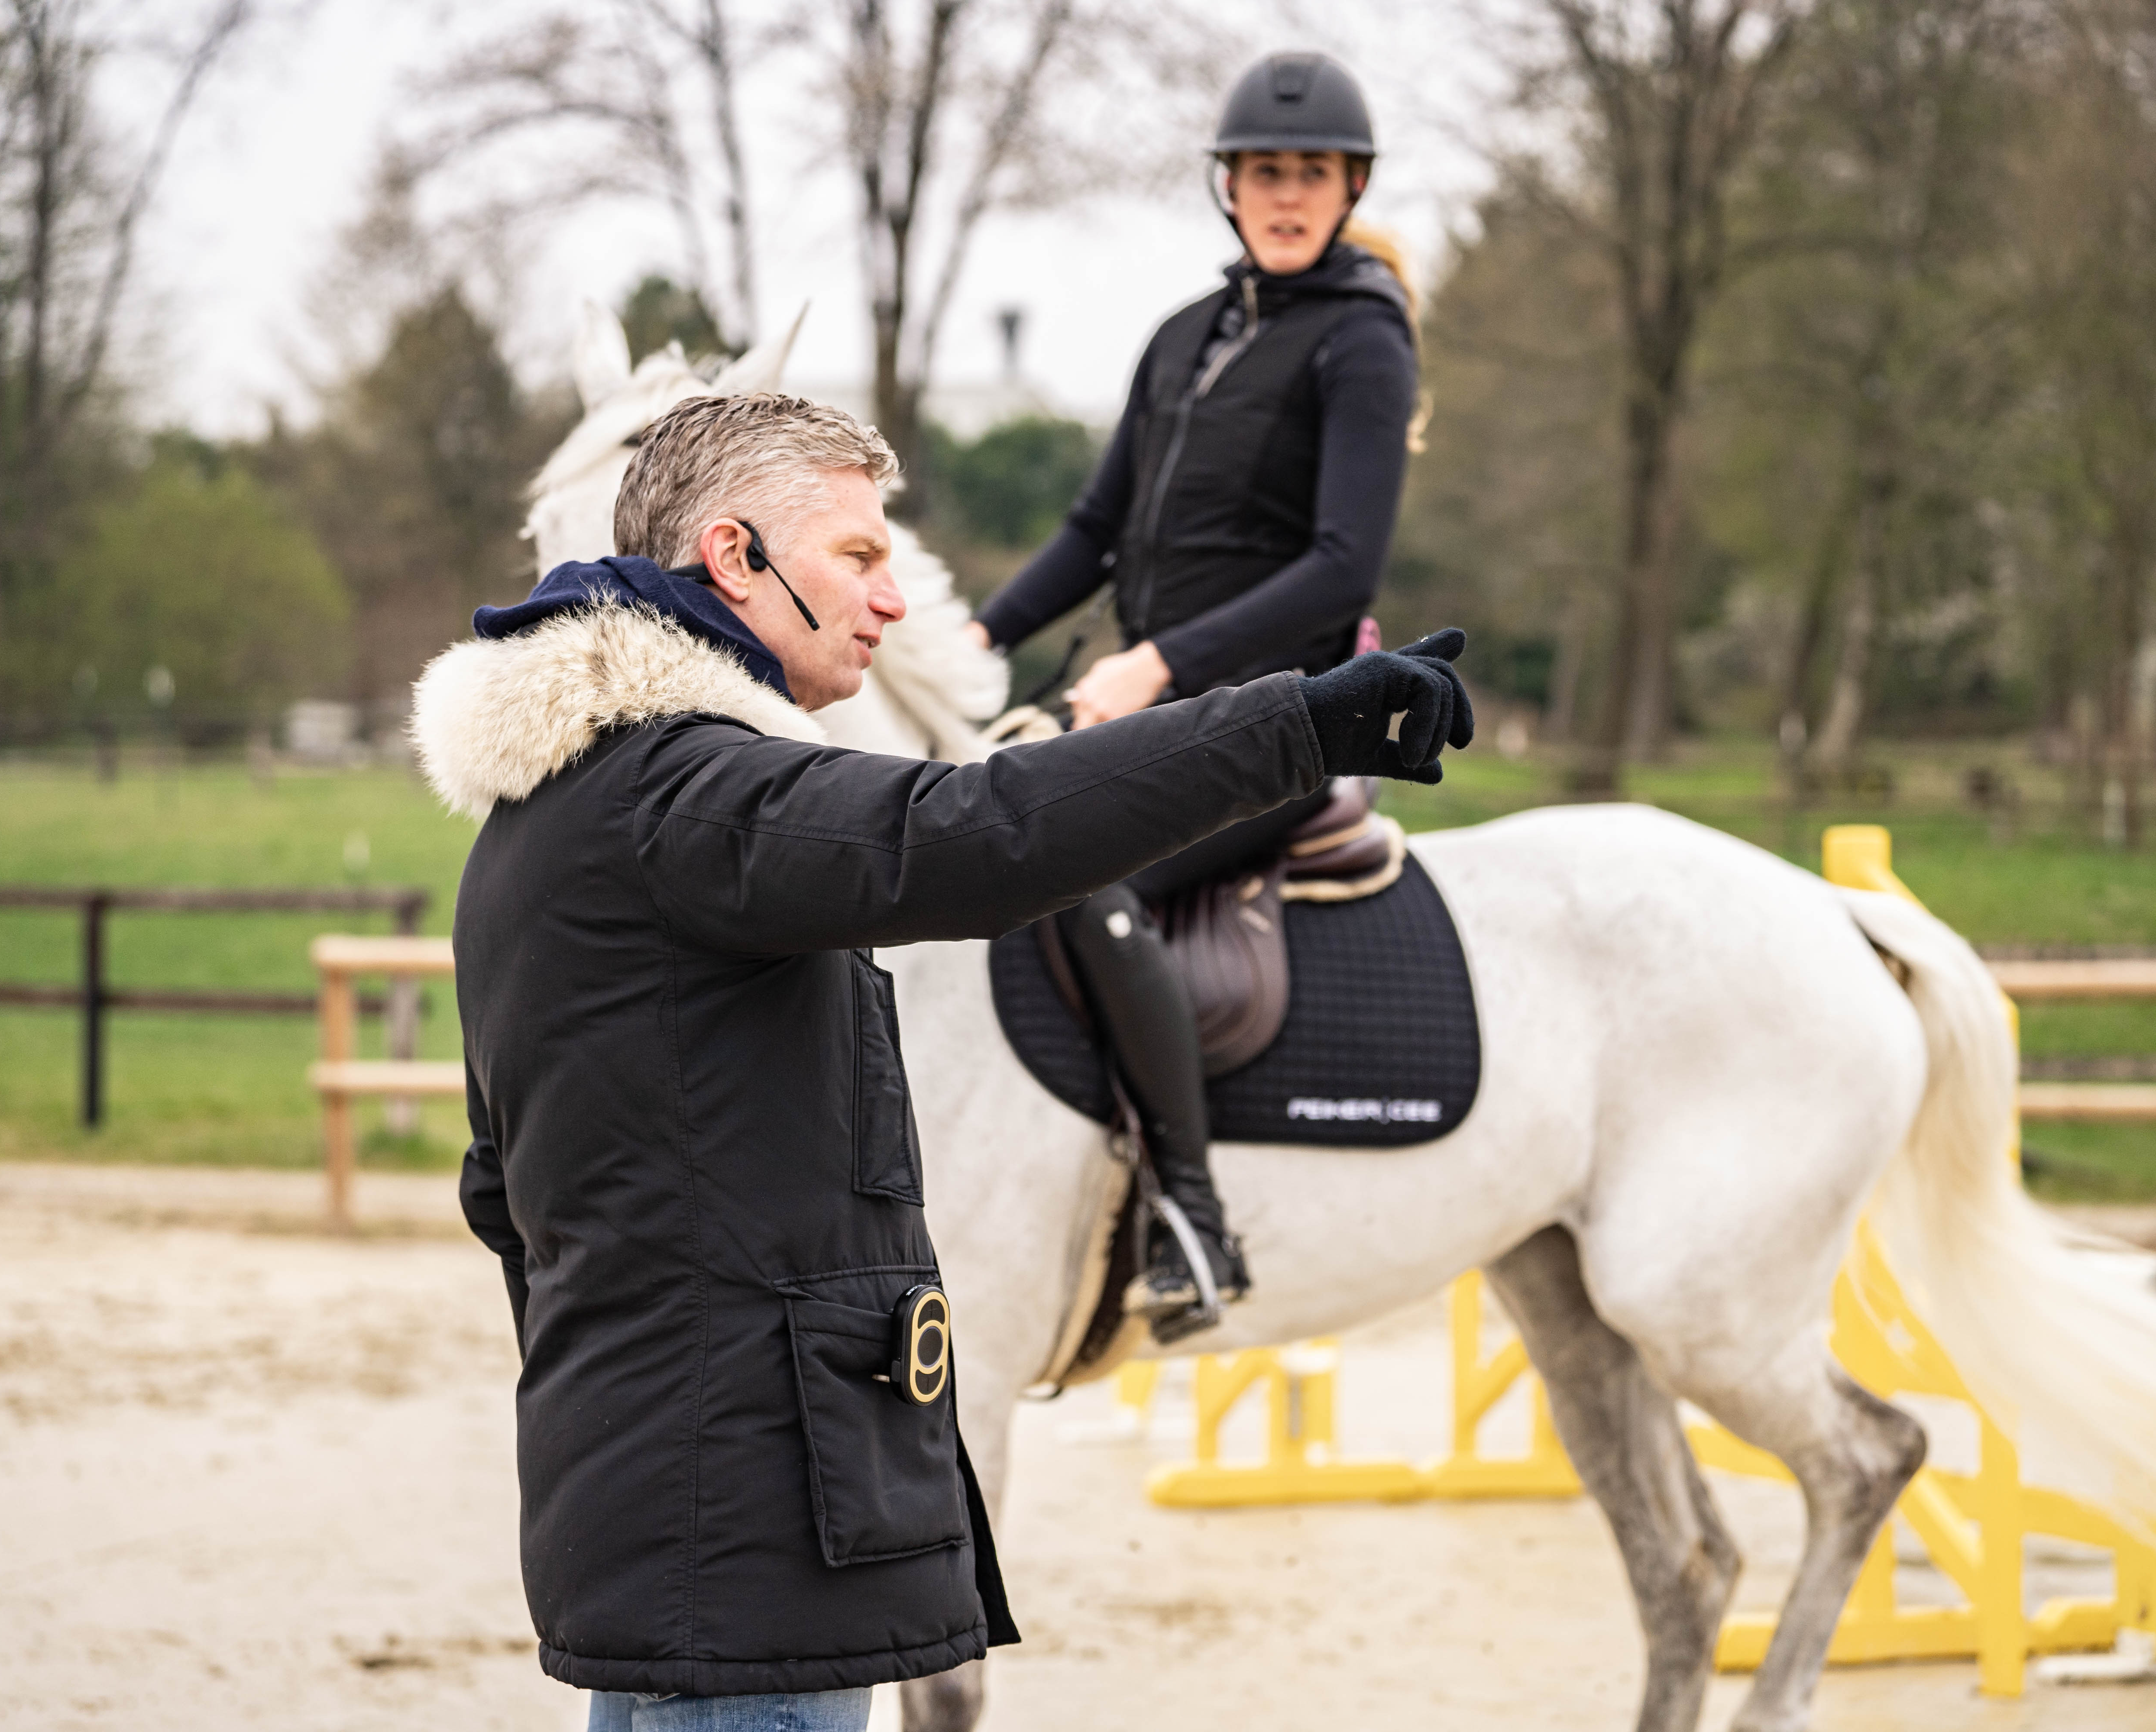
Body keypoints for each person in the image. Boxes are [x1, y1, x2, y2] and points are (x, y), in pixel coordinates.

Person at [411, 390, 1471, 1731]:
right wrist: (1295, 731)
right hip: (755, 1522)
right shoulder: (691, 797)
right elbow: (973, 834)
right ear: (735, 558)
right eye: (858, 558)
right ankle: (1185, 1204)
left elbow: (498, 1192)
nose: (893, 599)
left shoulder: (550, 813)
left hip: (652, 1496)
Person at [964, 50, 1420, 1339]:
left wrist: (1158, 663)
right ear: (1228, 187)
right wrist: (956, 637)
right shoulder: (1183, 337)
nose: (1286, 195)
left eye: (1310, 175)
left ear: (1349, 187)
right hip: (1149, 715)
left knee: (1081, 869)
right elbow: (1094, 528)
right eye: (1264, 173)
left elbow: (1345, 568)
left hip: (1285, 725)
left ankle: (1192, 1216)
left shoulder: (1365, 341)